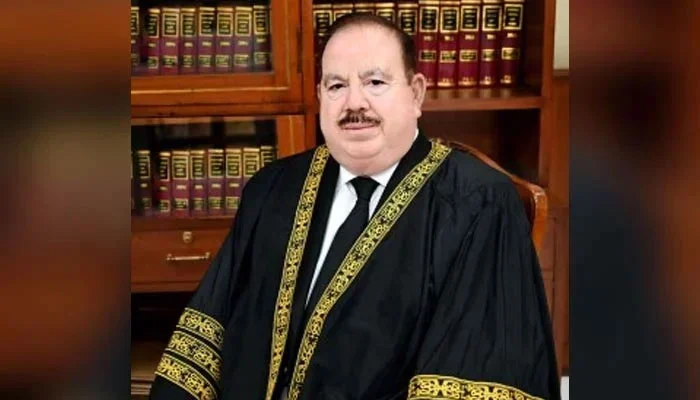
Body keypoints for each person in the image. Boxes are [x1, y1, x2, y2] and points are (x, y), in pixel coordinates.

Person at [149, 14, 560, 400]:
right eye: (336, 86)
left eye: (375, 82)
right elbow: (207, 331)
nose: (354, 104)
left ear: (416, 93)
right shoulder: (272, 189)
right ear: (320, 97)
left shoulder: (478, 204)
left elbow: (475, 367)